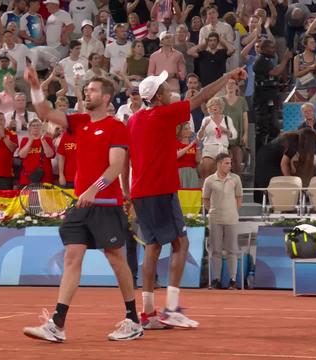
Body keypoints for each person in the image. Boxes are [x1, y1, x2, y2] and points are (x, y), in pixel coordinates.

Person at [22, 65, 143, 342]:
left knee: (116, 259)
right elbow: (44, 113)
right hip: (82, 205)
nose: (88, 92)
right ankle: (58, 323)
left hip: (106, 203)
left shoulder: (116, 127)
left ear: (107, 98)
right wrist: (35, 86)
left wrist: (94, 189)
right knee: (72, 256)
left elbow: (116, 166)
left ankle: (132, 319)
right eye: (87, 89)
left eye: (93, 90)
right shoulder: (78, 122)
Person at [127, 66, 245, 329]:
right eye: (165, 88)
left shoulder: (133, 120)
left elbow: (127, 157)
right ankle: (171, 309)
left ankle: (147, 313)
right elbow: (202, 96)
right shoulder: (164, 114)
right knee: (181, 244)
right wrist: (227, 77)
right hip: (160, 190)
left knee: (152, 247)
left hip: (140, 192)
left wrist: (126, 190)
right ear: (157, 96)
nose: (170, 90)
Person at [203, 153, 243, 290]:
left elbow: (239, 197)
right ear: (219, 164)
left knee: (232, 250)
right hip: (215, 219)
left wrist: (234, 211)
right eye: (227, 163)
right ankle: (216, 279)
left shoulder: (236, 179)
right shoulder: (209, 180)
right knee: (216, 250)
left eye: (230, 163)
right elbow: (205, 199)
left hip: (231, 219)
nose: (230, 166)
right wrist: (212, 210)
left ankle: (232, 279)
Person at [196, 96, 238, 183]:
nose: (214, 106)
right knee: (206, 166)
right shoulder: (206, 120)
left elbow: (234, 135)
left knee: (223, 171)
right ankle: (206, 190)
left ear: (221, 107)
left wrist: (225, 130)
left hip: (222, 148)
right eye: (212, 105)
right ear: (209, 108)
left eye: (217, 104)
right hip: (209, 148)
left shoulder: (227, 119)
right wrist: (203, 127)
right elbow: (199, 137)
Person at [18, 119, 55, 186]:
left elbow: (50, 155)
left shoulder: (47, 140)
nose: (36, 127)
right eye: (33, 126)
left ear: (41, 127)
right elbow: (22, 155)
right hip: (27, 177)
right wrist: (30, 140)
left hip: (45, 177)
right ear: (29, 129)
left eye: (38, 125)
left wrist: (43, 140)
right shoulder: (25, 140)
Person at [176, 122, 200, 189]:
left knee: (192, 195)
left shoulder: (193, 145)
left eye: (189, 128)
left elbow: (198, 160)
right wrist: (189, 146)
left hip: (192, 171)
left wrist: (198, 147)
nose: (189, 130)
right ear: (180, 131)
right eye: (186, 129)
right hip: (180, 171)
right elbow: (176, 155)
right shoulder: (176, 143)